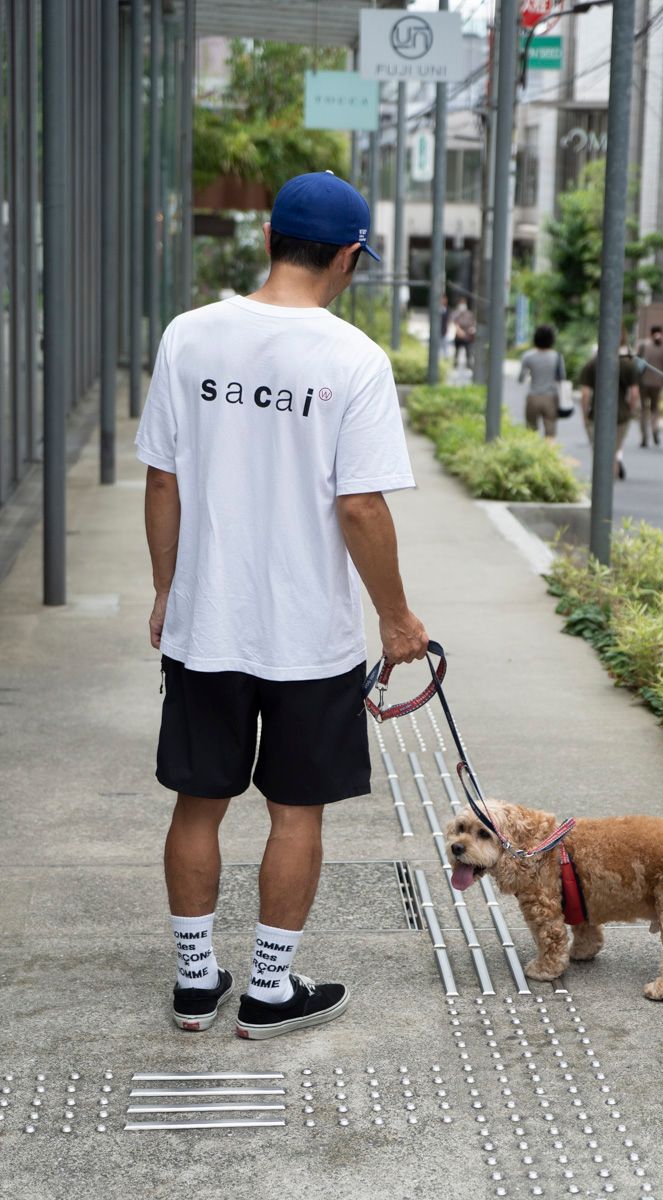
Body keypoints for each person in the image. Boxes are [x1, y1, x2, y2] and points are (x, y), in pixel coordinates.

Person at [135, 171, 428, 1041]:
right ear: (348, 257)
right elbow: (361, 506)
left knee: (198, 802)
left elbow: (163, 478)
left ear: (268, 239)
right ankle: (268, 988)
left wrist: (167, 590)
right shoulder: (353, 360)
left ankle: (196, 982)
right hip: (309, 638)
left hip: (207, 623)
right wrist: (398, 617)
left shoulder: (189, 337)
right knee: (295, 811)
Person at [579, 338, 640, 481]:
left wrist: (585, 414)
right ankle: (612, 475)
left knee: (599, 450)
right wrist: (631, 410)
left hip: (597, 414)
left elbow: (585, 394)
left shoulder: (592, 364)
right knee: (614, 450)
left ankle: (601, 482)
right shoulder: (628, 365)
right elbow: (634, 393)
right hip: (622, 414)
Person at [517, 324, 567, 439]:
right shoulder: (557, 356)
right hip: (551, 397)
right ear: (552, 339)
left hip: (533, 396)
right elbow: (562, 377)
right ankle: (548, 454)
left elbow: (521, 379)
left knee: (530, 431)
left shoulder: (528, 356)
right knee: (550, 433)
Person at [636, 324, 663, 447]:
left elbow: (637, 363)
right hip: (658, 382)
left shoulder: (643, 345)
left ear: (650, 333)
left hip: (643, 382)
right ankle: (655, 429)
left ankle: (644, 436)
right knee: (655, 408)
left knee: (643, 409)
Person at [452, 296, 476, 369]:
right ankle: (455, 364)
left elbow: (472, 323)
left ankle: (469, 364)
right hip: (458, 336)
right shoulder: (456, 313)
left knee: (468, 351)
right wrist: (459, 331)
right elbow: (454, 323)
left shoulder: (469, 314)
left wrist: (471, 330)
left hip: (467, 336)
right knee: (457, 352)